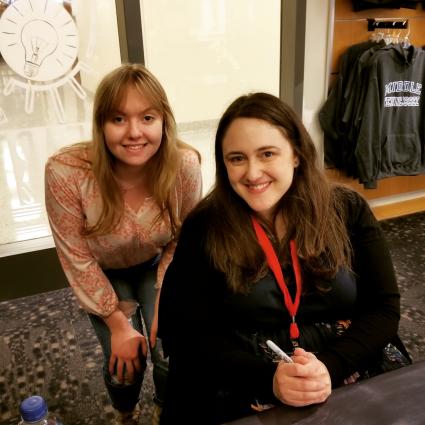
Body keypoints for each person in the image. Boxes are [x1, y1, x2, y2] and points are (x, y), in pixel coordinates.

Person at [158, 92, 409, 424]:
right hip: (243, 373)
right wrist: (269, 379)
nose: (252, 172)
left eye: (267, 153)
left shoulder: (347, 209)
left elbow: (384, 308)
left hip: (345, 359)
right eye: (236, 158)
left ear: (296, 154)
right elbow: (184, 334)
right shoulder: (205, 226)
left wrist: (330, 366)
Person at [45, 64, 202, 425]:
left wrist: (164, 303)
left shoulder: (184, 165)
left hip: (158, 263)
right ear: (101, 125)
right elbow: (76, 257)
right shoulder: (66, 172)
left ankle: (165, 409)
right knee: (125, 362)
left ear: (164, 120)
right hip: (100, 271)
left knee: (170, 347)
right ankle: (124, 414)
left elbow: (184, 238)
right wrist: (118, 324)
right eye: (118, 119)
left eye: (147, 117)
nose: (134, 132)